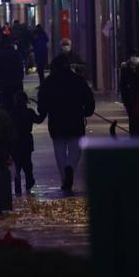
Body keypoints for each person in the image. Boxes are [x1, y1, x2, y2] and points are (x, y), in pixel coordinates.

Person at [37, 54, 95, 193]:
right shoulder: (77, 80)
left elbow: (42, 102)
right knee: (76, 149)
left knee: (59, 151)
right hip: (75, 120)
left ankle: (65, 179)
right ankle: (70, 167)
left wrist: (42, 112)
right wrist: (87, 111)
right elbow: (88, 99)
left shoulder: (48, 82)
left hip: (56, 122)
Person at [10, 91, 43, 196]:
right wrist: (43, 109)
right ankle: (29, 182)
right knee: (27, 164)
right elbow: (39, 120)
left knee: (17, 165)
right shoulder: (29, 112)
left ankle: (18, 186)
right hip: (26, 140)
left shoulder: (11, 113)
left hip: (15, 141)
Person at [0, 37, 24, 111]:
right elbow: (20, 66)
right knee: (17, 101)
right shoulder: (16, 54)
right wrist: (21, 77)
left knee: (7, 102)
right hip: (16, 81)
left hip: (5, 82)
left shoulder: (1, 55)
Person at [119, 51, 139, 134]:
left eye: (136, 55)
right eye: (133, 55)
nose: (135, 57)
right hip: (130, 100)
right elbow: (122, 85)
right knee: (132, 121)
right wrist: (124, 100)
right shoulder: (125, 68)